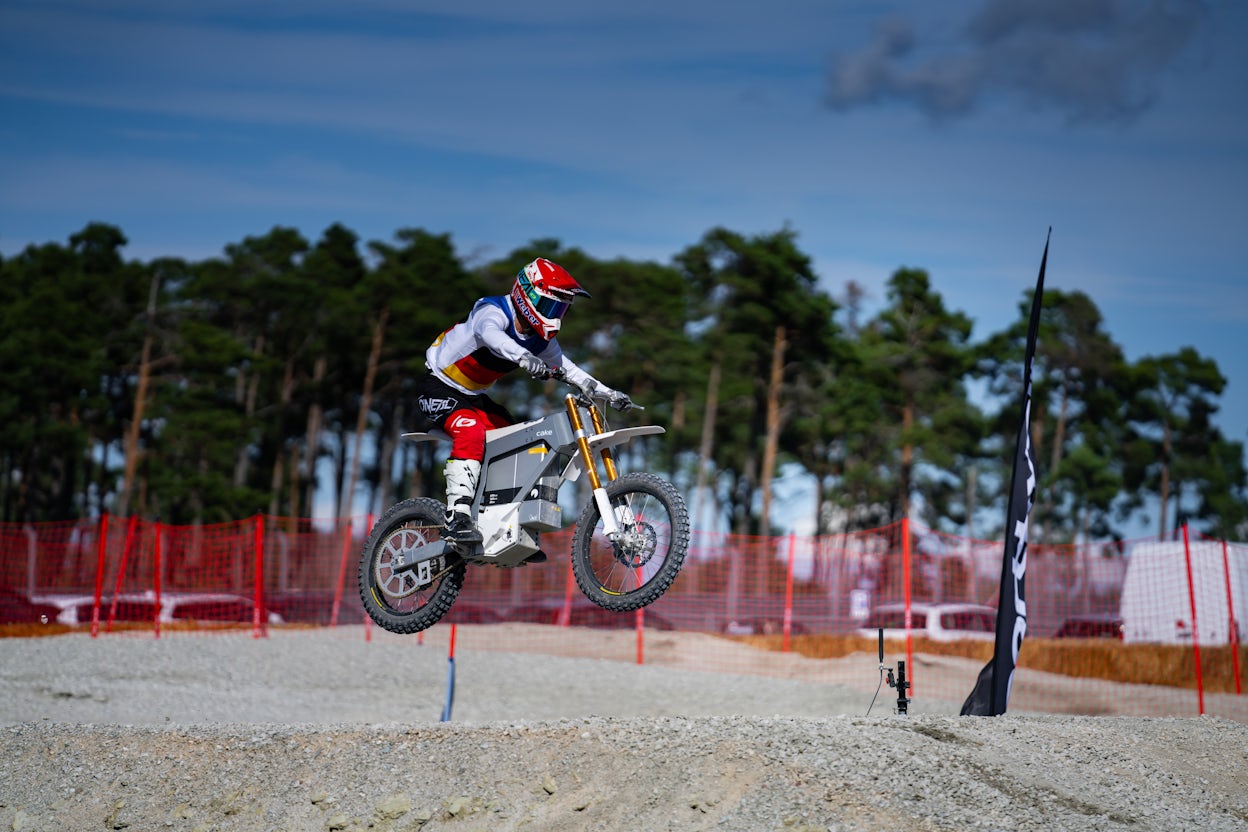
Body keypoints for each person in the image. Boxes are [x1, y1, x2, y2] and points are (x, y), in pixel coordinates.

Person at [414, 257, 632, 545]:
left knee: (519, 441)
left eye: (561, 309)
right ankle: (458, 517)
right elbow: (490, 336)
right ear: (525, 294)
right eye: (551, 306)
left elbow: (570, 370)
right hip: (437, 387)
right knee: (471, 430)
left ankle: (499, 519)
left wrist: (609, 393)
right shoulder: (492, 311)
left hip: (473, 397)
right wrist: (524, 358)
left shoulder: (541, 340)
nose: (556, 315)